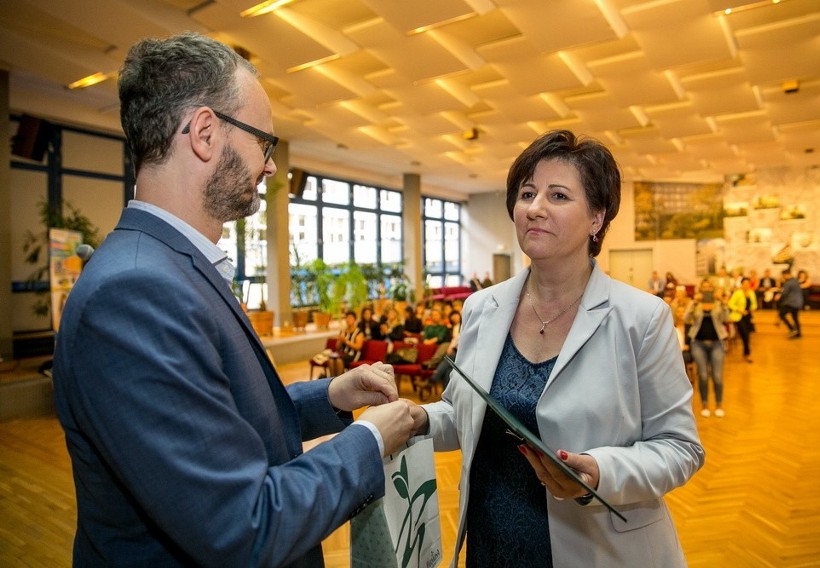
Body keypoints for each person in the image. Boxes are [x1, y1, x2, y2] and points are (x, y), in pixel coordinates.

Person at [51, 33, 416, 567]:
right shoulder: (133, 294)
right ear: (204, 133)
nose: (269, 166)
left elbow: (218, 422)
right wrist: (367, 440)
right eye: (263, 142)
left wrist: (332, 396)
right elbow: (243, 526)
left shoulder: (168, 267)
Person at [410, 130, 704, 566]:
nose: (534, 208)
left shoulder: (641, 318)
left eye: (558, 195)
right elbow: (463, 414)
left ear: (597, 218)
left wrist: (600, 472)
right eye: (526, 193)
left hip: (598, 548)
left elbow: (680, 448)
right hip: (493, 543)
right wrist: (414, 417)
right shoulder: (481, 308)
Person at [685, 279, 729, 417]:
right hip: (698, 344)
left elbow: (726, 318)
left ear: (712, 289)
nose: (707, 290)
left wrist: (722, 301)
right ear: (700, 290)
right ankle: (704, 404)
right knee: (703, 375)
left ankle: (719, 404)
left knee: (717, 376)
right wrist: (694, 302)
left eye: (709, 288)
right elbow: (686, 318)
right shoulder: (696, 304)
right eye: (704, 288)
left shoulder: (717, 304)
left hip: (717, 344)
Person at [727, 279, 758, 363]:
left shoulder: (751, 293)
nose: (746, 285)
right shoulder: (737, 293)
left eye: (747, 284)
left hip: (748, 316)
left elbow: (754, 304)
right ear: (741, 285)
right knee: (744, 334)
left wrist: (752, 308)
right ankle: (747, 353)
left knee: (747, 335)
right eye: (744, 284)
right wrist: (739, 310)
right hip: (739, 317)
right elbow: (730, 304)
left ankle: (746, 353)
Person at [330, 310, 365, 376]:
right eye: (347, 318)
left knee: (339, 360)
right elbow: (337, 347)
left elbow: (358, 347)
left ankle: (339, 382)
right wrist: (340, 340)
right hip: (344, 353)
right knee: (331, 360)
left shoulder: (359, 332)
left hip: (354, 354)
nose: (348, 320)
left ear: (355, 320)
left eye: (350, 318)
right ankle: (332, 380)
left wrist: (346, 341)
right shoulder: (343, 331)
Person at [779, 268, 804, 337]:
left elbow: (784, 293)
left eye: (783, 276)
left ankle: (792, 329)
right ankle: (798, 332)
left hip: (791, 303)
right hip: (798, 302)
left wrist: (779, 295)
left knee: (781, 314)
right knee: (795, 317)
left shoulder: (788, 282)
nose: (783, 277)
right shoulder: (795, 281)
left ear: (786, 275)